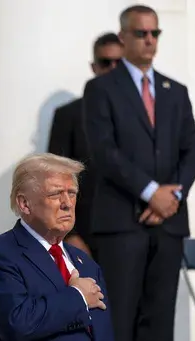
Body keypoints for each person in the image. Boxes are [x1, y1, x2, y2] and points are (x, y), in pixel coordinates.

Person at [83, 5, 195, 341]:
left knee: (160, 322)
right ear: (123, 37)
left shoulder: (174, 91)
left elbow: (191, 149)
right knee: (119, 321)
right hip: (122, 224)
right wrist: (151, 192)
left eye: (155, 33)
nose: (149, 40)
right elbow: (105, 152)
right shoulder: (101, 89)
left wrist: (173, 196)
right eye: (141, 33)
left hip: (169, 224)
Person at [0, 153, 115, 341]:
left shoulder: (86, 263)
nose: (67, 204)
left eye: (71, 193)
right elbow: (18, 325)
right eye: (56, 194)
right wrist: (78, 297)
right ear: (24, 204)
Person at [48, 32, 123, 256]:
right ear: (94, 67)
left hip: (133, 235)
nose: (112, 68)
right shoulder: (68, 115)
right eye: (105, 62)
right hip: (86, 235)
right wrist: (69, 235)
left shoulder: (145, 114)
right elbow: (56, 180)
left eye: (119, 62)